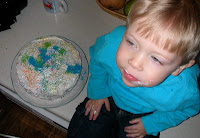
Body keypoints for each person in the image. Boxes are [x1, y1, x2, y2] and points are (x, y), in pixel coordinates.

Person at [67, 0, 200, 137]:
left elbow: (190, 108)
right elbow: (98, 59)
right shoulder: (113, 43)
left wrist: (152, 123)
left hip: (145, 114)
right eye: (131, 42)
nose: (134, 63)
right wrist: (98, 91)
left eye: (156, 59)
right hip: (109, 93)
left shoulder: (183, 90)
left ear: (179, 68)